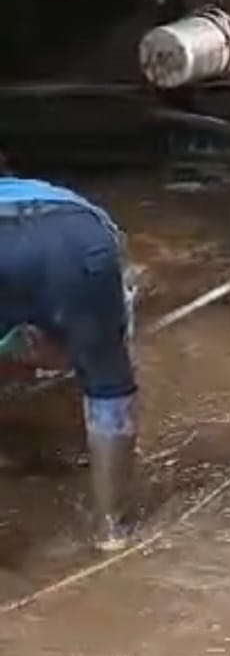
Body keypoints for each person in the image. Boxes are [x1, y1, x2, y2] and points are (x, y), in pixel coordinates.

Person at [0, 154, 138, 549]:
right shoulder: (61, 198)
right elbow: (108, 338)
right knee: (108, 379)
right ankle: (112, 527)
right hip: (80, 241)